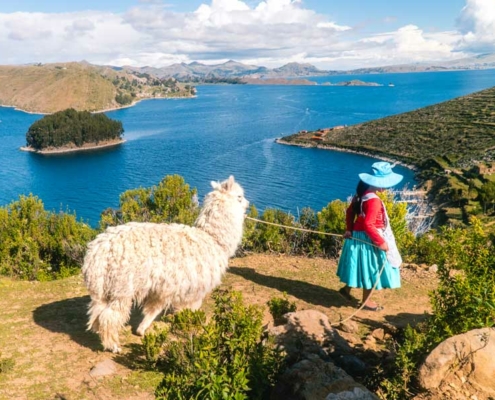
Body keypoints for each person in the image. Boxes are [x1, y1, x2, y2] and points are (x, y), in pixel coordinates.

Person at [336, 161, 403, 311]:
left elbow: (350, 212)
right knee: (372, 268)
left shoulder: (361, 196)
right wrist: (381, 242)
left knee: (359, 267)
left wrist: (349, 229)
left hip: (358, 237)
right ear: (380, 184)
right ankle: (366, 301)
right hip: (369, 239)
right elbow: (369, 224)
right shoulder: (374, 201)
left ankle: (346, 290)